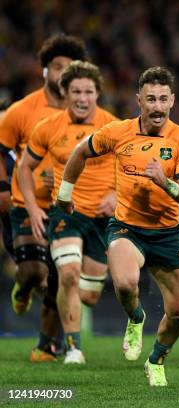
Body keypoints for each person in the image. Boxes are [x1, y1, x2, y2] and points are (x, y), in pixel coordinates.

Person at [56, 66, 179, 386]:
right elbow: (81, 152)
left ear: (172, 100)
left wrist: (166, 183)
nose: (157, 106)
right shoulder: (117, 132)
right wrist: (65, 195)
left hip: (166, 233)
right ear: (139, 100)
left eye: (163, 99)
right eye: (151, 99)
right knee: (124, 283)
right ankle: (136, 317)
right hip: (126, 228)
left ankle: (156, 360)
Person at [19, 61, 118, 364]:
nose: (82, 97)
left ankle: (59, 303)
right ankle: (74, 348)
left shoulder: (114, 127)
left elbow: (132, 169)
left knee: (89, 295)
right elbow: (25, 168)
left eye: (88, 91)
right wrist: (34, 208)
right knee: (69, 274)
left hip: (101, 219)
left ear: (98, 93)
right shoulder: (48, 128)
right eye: (76, 91)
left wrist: (116, 194)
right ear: (65, 92)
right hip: (66, 212)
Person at [0, 34, 87, 362]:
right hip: (25, 204)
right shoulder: (22, 111)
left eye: (70, 68)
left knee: (58, 277)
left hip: (67, 207)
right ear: (45, 72)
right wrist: (3, 190)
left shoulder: (84, 112)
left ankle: (45, 345)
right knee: (36, 272)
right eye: (57, 67)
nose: (62, 74)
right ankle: (22, 287)